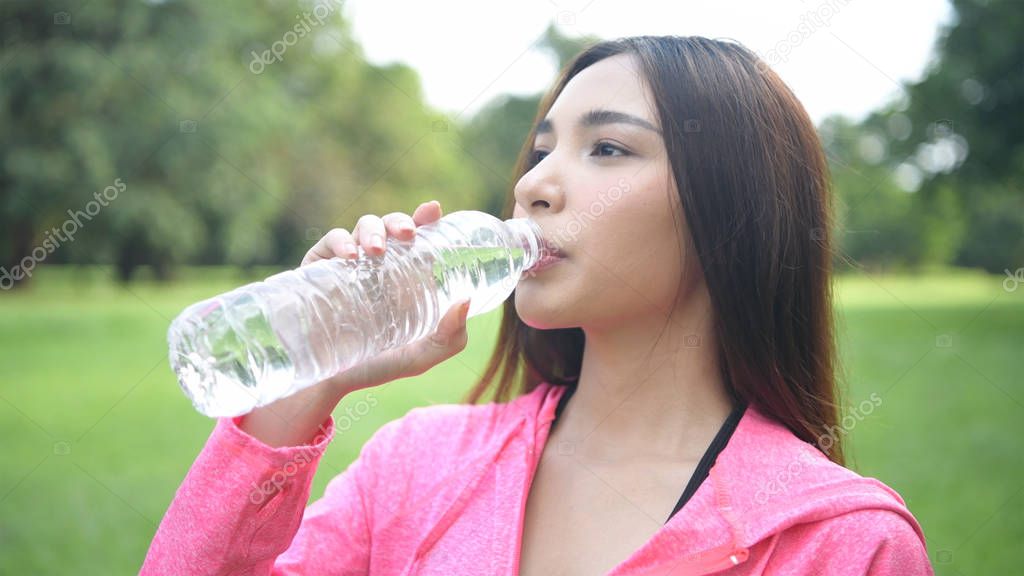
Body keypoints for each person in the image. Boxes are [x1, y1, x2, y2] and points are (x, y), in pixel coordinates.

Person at [142, 35, 934, 575]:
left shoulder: (841, 542)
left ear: (730, 210)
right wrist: (306, 377)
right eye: (543, 148)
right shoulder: (415, 467)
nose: (531, 184)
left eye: (609, 148)